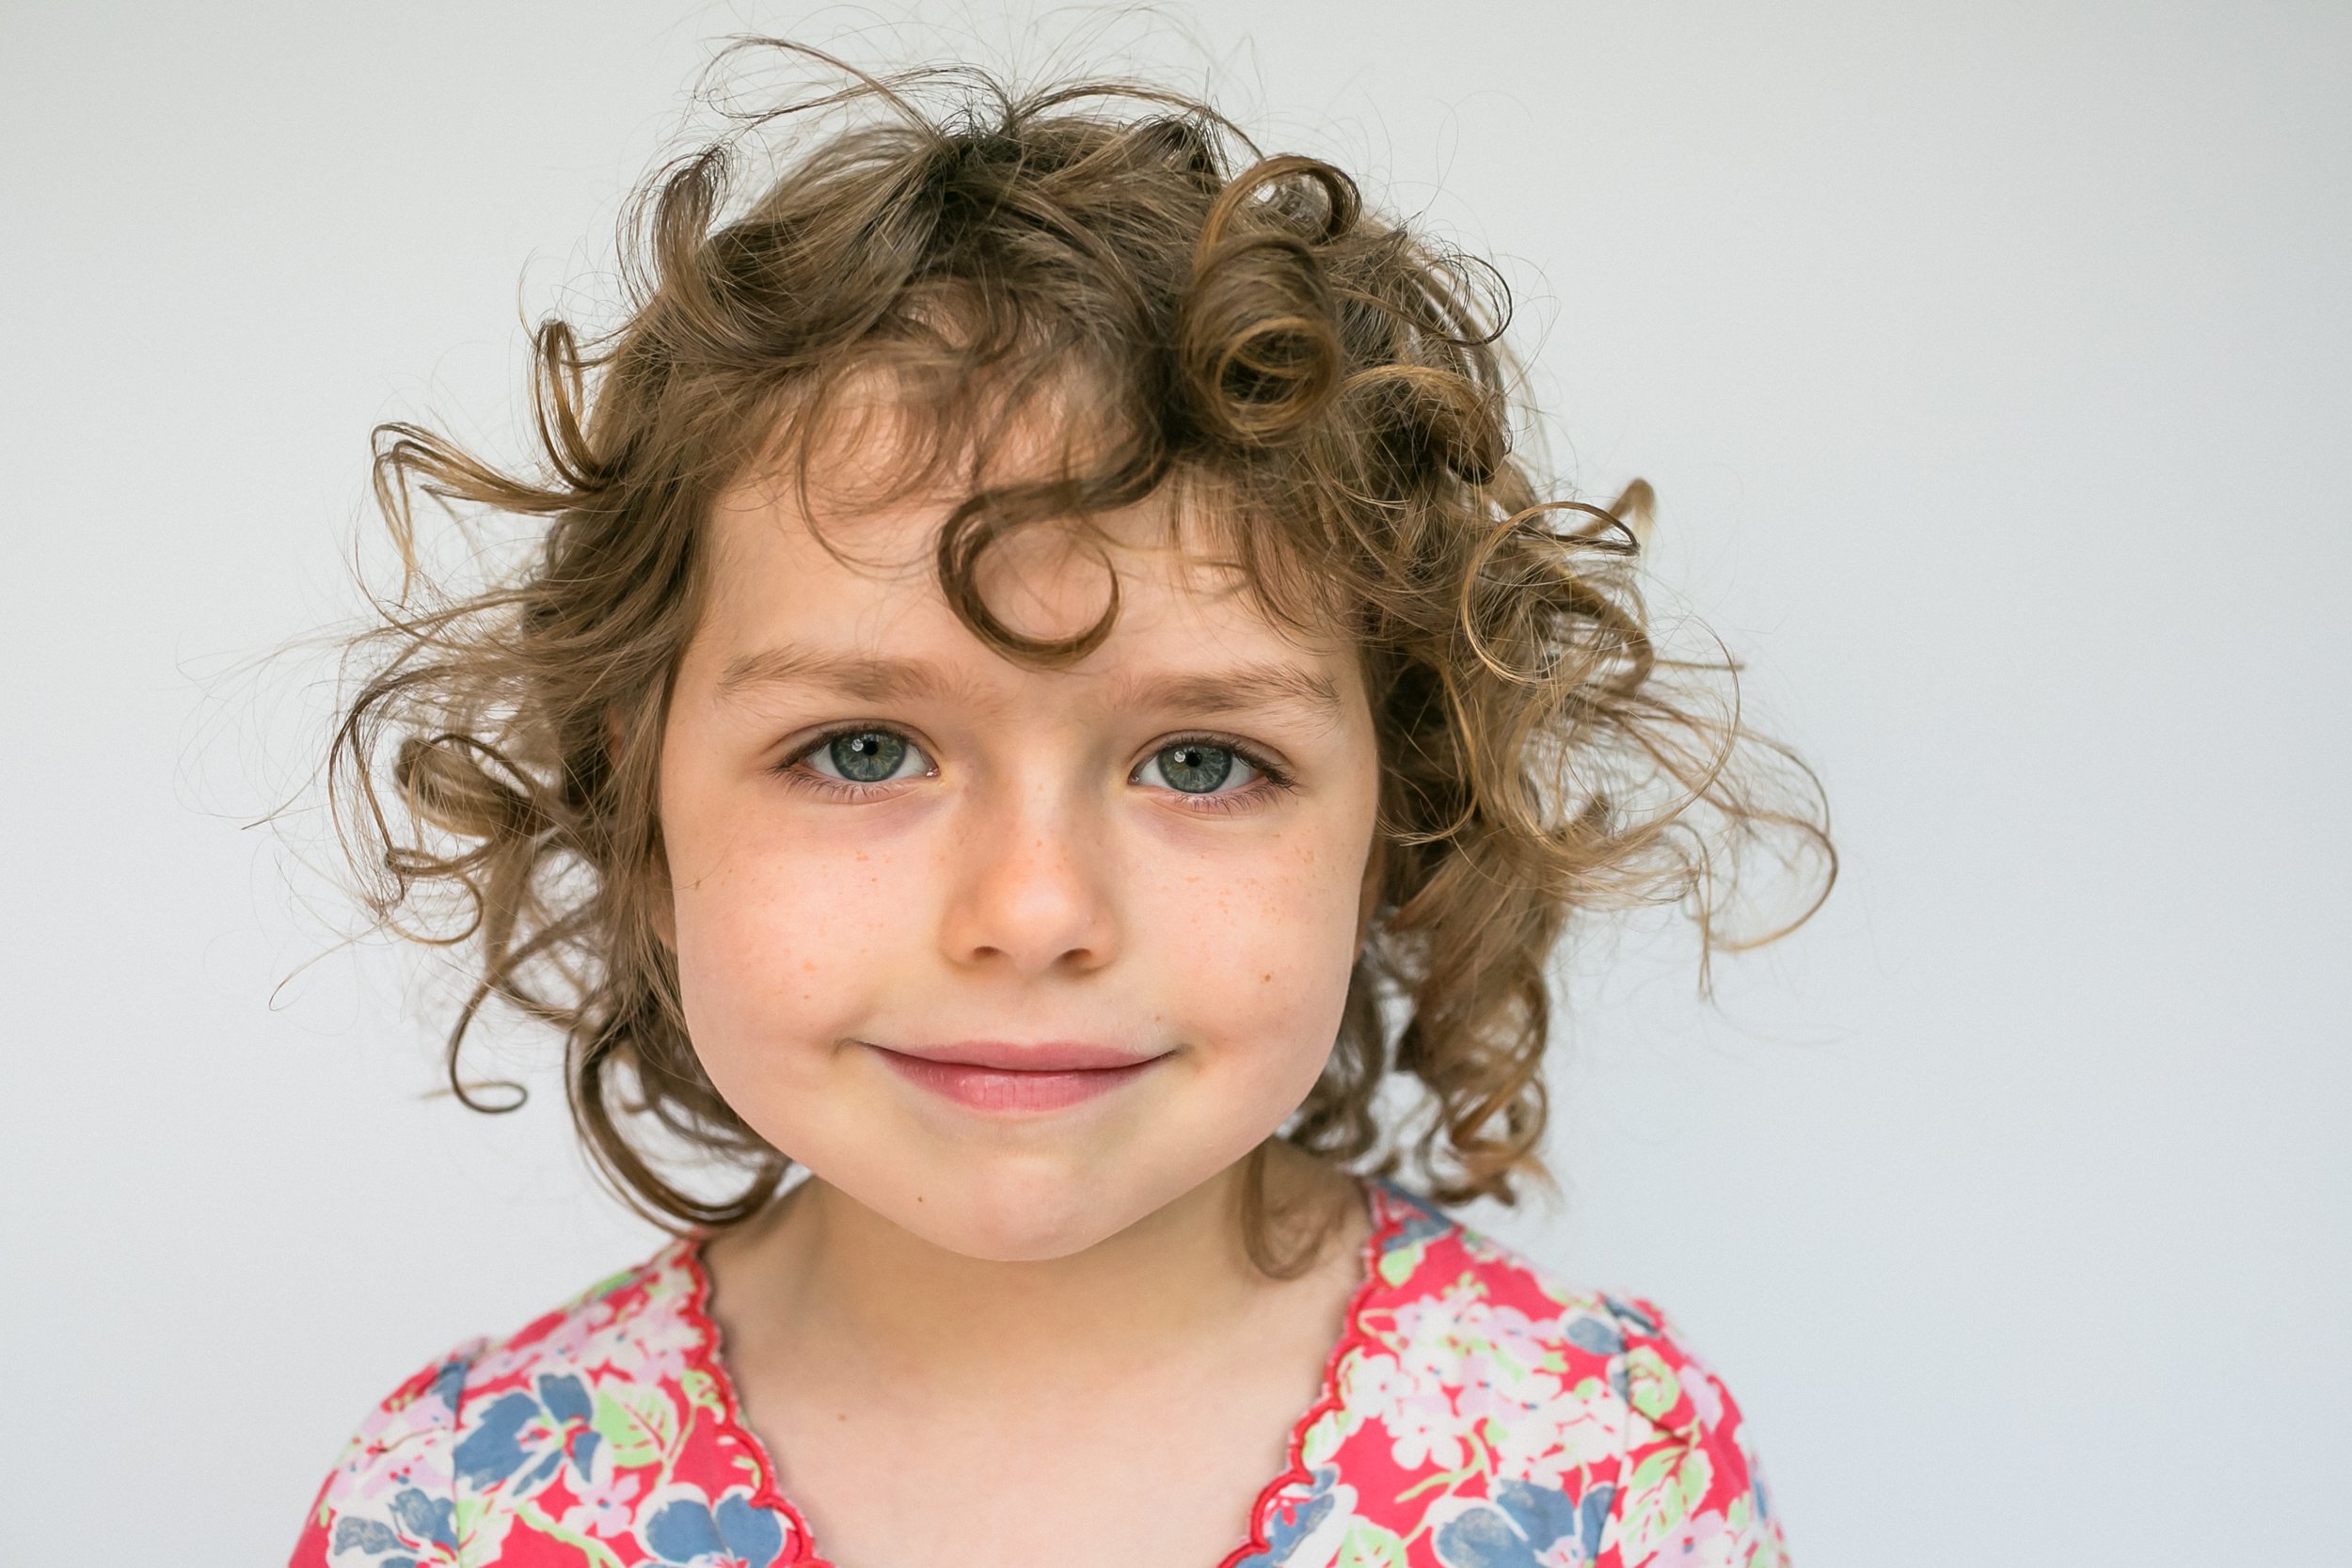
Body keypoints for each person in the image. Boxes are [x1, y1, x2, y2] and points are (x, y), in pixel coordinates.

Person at [291, 42, 1830, 1568]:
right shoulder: (456, 1514)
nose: (1033, 914)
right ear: (638, 787)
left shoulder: (1607, 1471)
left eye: (1203, 762)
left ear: (1401, 811)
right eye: (864, 750)